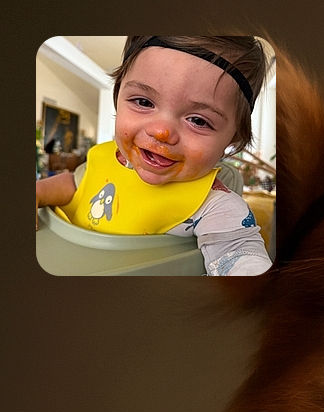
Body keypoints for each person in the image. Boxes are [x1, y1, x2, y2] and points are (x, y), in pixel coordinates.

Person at [36, 35, 273, 276]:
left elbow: (241, 258)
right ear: (117, 99)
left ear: (232, 139)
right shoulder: (103, 158)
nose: (161, 132)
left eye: (198, 121)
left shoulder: (216, 207)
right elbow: (76, 184)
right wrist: (38, 193)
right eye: (143, 102)